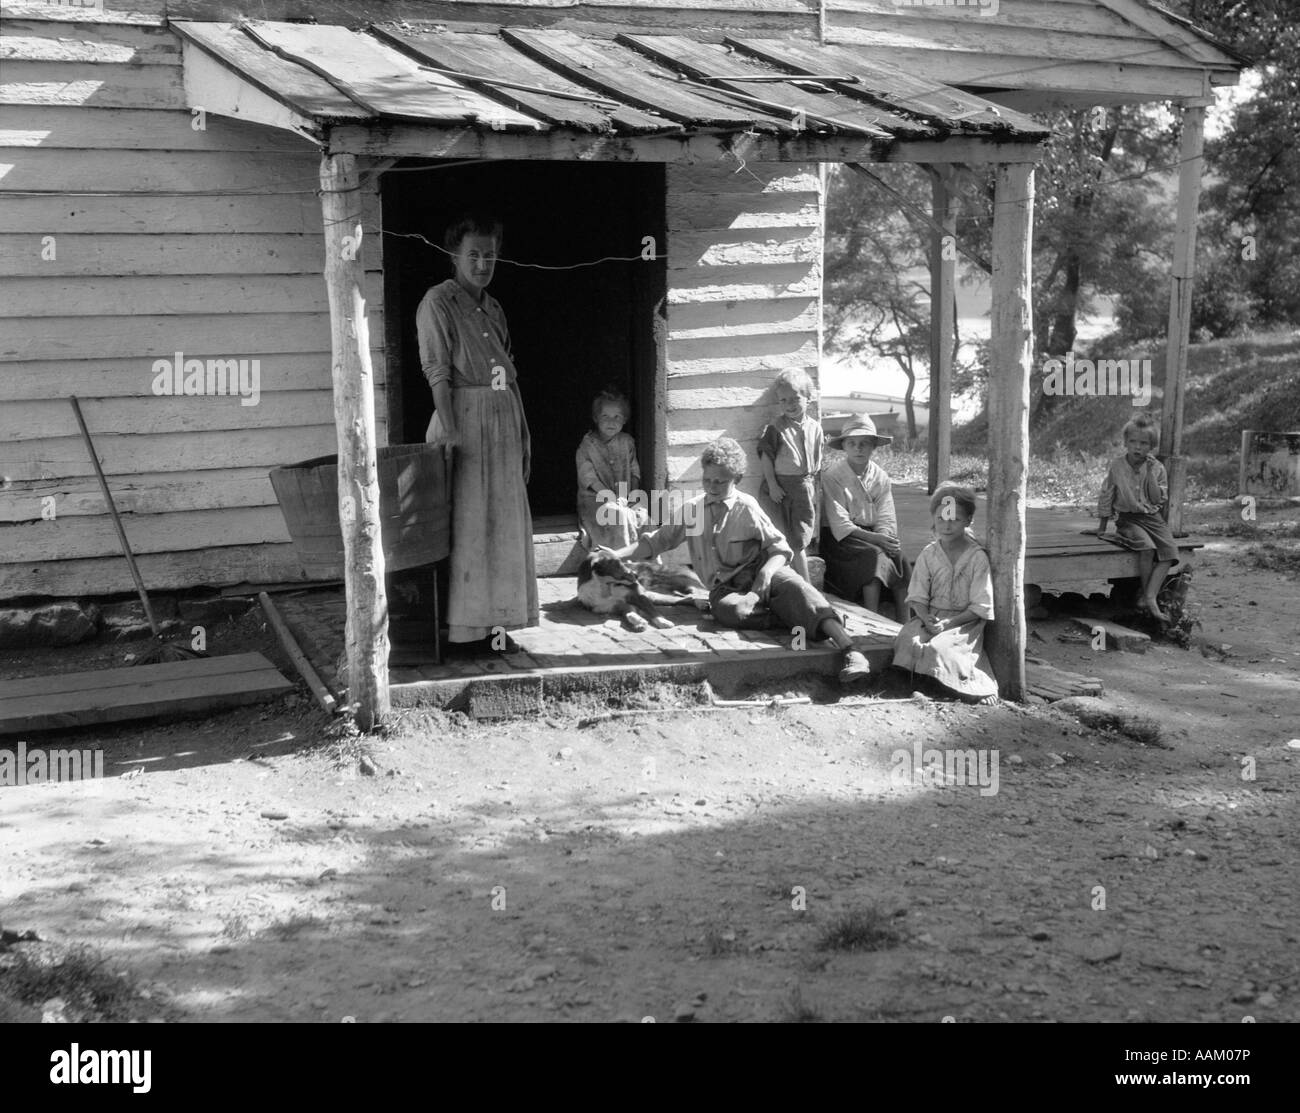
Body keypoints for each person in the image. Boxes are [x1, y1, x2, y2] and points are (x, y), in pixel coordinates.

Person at [602, 437, 871, 686]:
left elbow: (780, 549)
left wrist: (765, 575)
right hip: (727, 587)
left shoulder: (747, 507)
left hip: (763, 572)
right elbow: (655, 541)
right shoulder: (693, 510)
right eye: (707, 480)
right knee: (730, 611)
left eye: (720, 482)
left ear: (737, 479)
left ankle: (851, 650)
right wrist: (617, 555)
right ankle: (814, 617)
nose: (712, 487)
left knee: (797, 588)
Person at [415, 213, 537, 647]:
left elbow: (507, 374)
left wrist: (521, 429)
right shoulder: (438, 302)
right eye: (473, 254)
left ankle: (499, 625)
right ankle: (465, 631)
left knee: (502, 523)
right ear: (454, 255)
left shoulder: (495, 307)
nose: (482, 263)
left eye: (489, 254)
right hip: (464, 419)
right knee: (470, 524)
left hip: (502, 419)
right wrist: (449, 429)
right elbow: (437, 372)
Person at [892, 484, 999, 703]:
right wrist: (924, 617)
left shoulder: (977, 558)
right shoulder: (929, 554)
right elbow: (917, 595)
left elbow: (980, 605)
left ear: (968, 520)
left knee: (939, 648)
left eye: (955, 520)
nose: (947, 526)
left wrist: (949, 622)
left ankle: (958, 688)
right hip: (931, 618)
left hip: (963, 622)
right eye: (941, 519)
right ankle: (918, 684)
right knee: (907, 640)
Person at [820, 417, 909, 620]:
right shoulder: (833, 476)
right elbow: (839, 523)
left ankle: (906, 620)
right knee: (874, 555)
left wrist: (885, 537)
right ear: (843, 446)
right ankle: (872, 616)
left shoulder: (880, 477)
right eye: (852, 443)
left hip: (872, 534)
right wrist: (877, 541)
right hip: (842, 539)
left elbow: (886, 515)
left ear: (873, 447)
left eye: (864, 444)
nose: (858, 449)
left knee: (900, 557)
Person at [1091, 414, 1177, 623]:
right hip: (1128, 519)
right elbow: (1107, 494)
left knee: (1170, 554)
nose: (1138, 447)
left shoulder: (1156, 468)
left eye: (1144, 443)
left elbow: (1158, 499)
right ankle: (1147, 598)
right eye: (1133, 442)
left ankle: (1149, 595)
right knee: (1147, 549)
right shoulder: (1118, 466)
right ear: (1126, 442)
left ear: (1151, 446)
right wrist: (1102, 526)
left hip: (1153, 518)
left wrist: (1149, 473)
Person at [757, 368, 824, 582]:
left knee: (799, 536)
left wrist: (814, 490)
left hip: (803, 488)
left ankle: (803, 583)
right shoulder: (776, 428)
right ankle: (794, 582)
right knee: (782, 536)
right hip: (779, 489)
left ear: (808, 397)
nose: (790, 405)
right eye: (784, 401)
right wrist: (773, 485)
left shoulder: (816, 428)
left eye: (795, 398)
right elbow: (766, 457)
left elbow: (817, 462)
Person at [576, 387, 648, 551]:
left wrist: (633, 496)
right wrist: (608, 496)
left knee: (642, 517)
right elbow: (588, 477)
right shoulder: (588, 445)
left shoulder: (627, 442)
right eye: (605, 416)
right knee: (615, 514)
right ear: (595, 418)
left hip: (624, 498)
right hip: (595, 499)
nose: (611, 421)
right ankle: (620, 559)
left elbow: (634, 470)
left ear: (624, 420)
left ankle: (644, 562)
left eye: (617, 417)